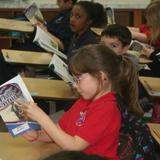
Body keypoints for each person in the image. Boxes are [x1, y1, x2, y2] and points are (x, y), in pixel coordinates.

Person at [16, 44, 143, 159]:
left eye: (78, 79)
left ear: (101, 76)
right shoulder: (84, 101)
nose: (75, 86)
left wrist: (41, 117)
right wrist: (38, 135)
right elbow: (60, 130)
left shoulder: (107, 109)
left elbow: (74, 146)